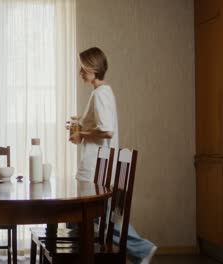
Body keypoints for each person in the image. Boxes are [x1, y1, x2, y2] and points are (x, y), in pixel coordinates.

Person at [69, 47, 157, 264]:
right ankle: (137, 250)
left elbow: (107, 130)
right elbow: (101, 125)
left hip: (95, 166)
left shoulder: (100, 94)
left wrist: (82, 132)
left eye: (83, 68)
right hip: (99, 163)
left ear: (93, 69)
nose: (80, 72)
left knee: (82, 216)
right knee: (88, 218)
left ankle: (142, 248)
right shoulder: (102, 93)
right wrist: (81, 123)